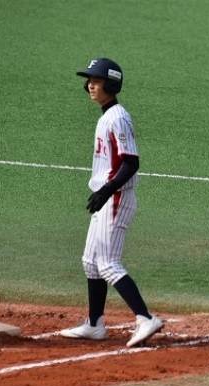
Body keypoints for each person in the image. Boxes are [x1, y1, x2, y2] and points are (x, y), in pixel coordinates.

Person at [60, 58, 163, 347]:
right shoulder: (107, 116)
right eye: (89, 80)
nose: (91, 85)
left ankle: (146, 318)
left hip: (116, 197)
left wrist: (106, 190)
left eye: (97, 80)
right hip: (106, 197)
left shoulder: (118, 117)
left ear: (111, 84)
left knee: (107, 263)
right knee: (90, 262)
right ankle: (94, 324)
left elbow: (131, 162)